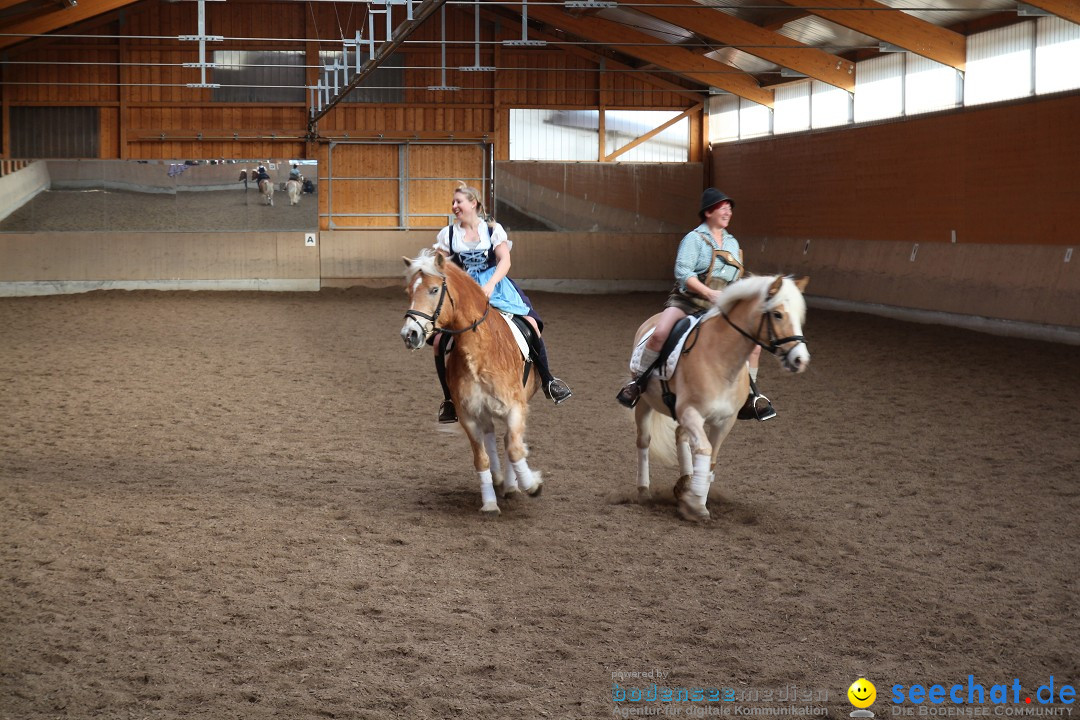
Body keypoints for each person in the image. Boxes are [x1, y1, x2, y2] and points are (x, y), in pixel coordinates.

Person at [615, 188, 776, 421]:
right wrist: (708, 293)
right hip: (688, 301)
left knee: (755, 345)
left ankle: (751, 395)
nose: (728, 212)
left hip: (720, 305)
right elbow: (683, 273)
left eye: (729, 208)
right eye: (723, 207)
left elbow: (735, 279)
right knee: (659, 334)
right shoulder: (693, 239)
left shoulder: (732, 242)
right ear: (708, 211)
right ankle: (638, 383)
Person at [431, 181, 572, 423]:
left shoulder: (493, 230)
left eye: (459, 201)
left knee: (531, 325)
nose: (454, 206)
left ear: (473, 203)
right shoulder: (448, 234)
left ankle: (549, 380)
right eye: (453, 202)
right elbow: (440, 266)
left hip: (495, 286)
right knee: (436, 344)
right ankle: (449, 401)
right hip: (464, 291)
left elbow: (504, 261)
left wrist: (490, 284)